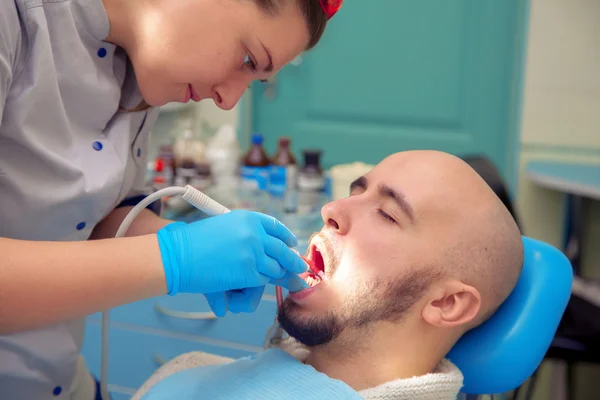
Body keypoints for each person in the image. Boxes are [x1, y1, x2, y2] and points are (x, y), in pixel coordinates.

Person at [0, 0, 343, 398]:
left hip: (56, 380)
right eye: (248, 59)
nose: (229, 100)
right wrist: (175, 257)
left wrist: (190, 244)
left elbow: (88, 218)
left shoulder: (145, 65)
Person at [130, 150, 525, 400]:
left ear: (446, 302)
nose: (332, 209)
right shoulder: (198, 370)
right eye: (356, 193)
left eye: (387, 214)